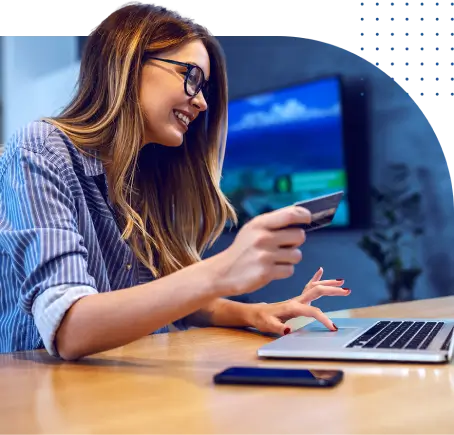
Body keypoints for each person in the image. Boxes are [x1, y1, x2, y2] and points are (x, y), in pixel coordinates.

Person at [0, 1, 350, 361]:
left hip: (129, 389)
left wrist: (253, 311)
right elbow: (69, 329)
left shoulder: (148, 172)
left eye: (205, 89)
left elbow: (170, 298)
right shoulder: (40, 150)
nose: (201, 103)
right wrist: (223, 270)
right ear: (129, 62)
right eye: (192, 77)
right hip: (46, 397)